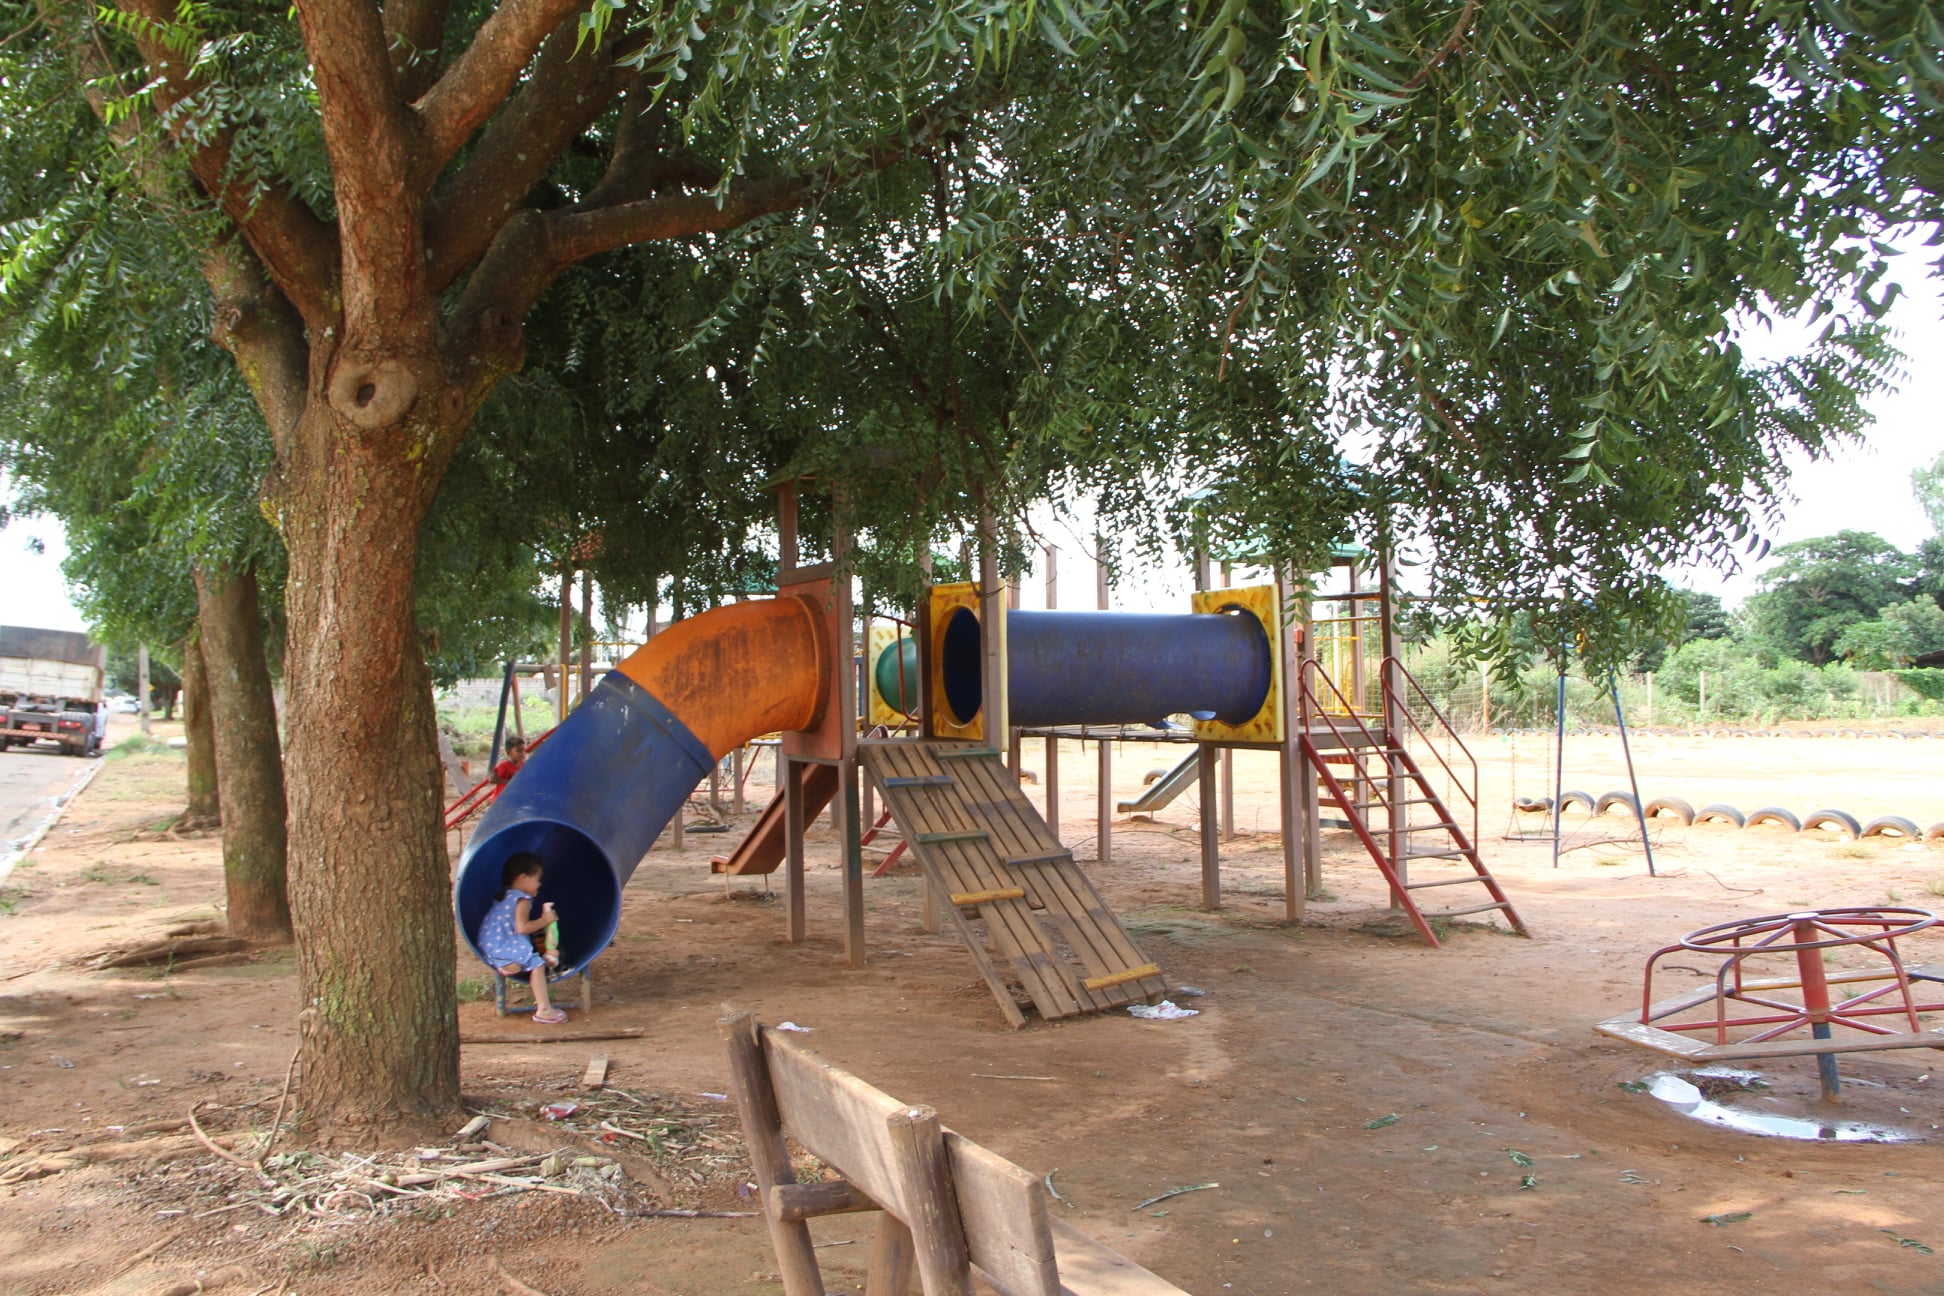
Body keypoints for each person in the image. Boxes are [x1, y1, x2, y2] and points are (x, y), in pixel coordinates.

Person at [477, 852, 566, 1024]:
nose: (539, 884)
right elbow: (522, 927)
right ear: (523, 877)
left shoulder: (505, 894)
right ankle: (544, 1009)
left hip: (489, 943)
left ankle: (503, 963)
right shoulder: (522, 899)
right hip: (504, 944)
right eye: (537, 879)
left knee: (521, 955)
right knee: (537, 964)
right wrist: (545, 920)